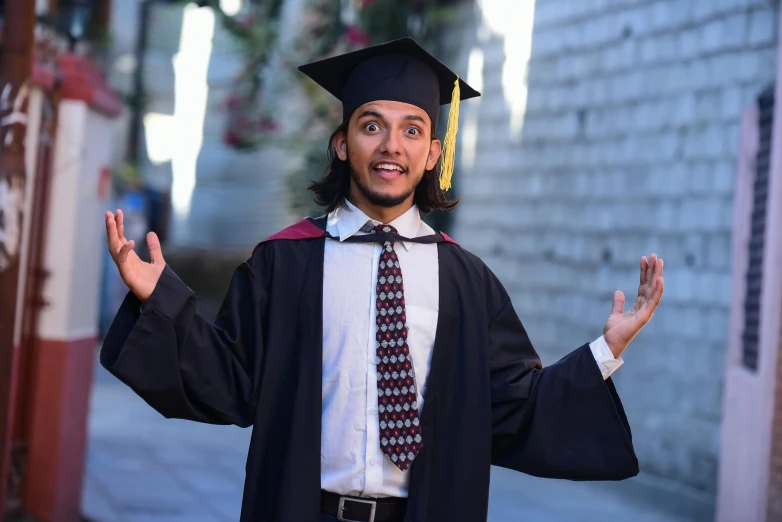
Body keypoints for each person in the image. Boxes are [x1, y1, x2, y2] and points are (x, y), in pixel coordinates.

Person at [101, 38, 665, 522]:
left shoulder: (467, 282)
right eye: (372, 126)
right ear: (344, 144)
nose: (391, 145)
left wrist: (606, 349)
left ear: (431, 154)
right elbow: (227, 379)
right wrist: (159, 297)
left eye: (412, 131)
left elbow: (516, 405)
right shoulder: (285, 263)